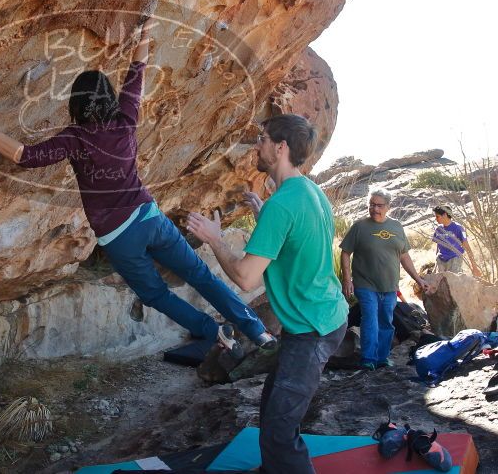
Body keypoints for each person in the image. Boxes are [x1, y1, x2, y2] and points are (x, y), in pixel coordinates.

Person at [0, 18, 275, 349]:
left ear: (76, 104)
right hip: (150, 218)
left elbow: (23, 155)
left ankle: (214, 334)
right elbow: (137, 70)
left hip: (119, 237)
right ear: (109, 97)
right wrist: (147, 31)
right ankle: (257, 332)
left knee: (155, 293)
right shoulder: (125, 120)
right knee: (201, 276)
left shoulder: (75, 137)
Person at [186, 114, 348, 474]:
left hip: (312, 329)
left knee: (278, 428)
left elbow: (245, 277)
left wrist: (214, 238)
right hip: (324, 317)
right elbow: (294, 238)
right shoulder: (308, 191)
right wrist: (263, 216)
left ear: (281, 147)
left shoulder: (282, 204)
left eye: (262, 139)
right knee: (271, 406)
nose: (256, 145)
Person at [340, 189, 431, 371]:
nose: (375, 209)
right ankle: (368, 359)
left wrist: (418, 279)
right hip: (365, 283)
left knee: (386, 321)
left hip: (390, 285)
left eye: (379, 205)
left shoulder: (396, 227)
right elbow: (345, 252)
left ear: (388, 207)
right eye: (372, 204)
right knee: (370, 319)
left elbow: (404, 257)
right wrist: (347, 280)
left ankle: (382, 358)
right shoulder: (359, 227)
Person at [431, 204, 481, 276]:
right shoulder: (438, 229)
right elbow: (438, 246)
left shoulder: (459, 228)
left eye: (437, 216)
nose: (436, 219)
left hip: (455, 259)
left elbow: (467, 246)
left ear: (444, 215)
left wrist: (474, 267)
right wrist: (437, 259)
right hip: (441, 261)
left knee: (453, 282)